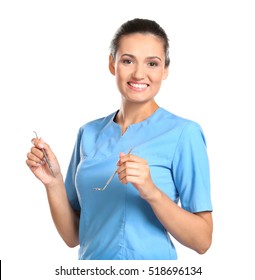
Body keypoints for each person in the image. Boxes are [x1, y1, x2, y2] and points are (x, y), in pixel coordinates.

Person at [26, 18, 213, 260]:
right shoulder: (88, 133)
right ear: (112, 64)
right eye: (127, 61)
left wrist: (152, 192)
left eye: (152, 63)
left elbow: (203, 241)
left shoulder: (184, 133)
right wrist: (53, 183)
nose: (138, 73)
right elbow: (74, 236)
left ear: (165, 70)